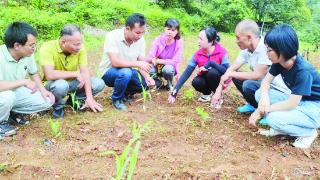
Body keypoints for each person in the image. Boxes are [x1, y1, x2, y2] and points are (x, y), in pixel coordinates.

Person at [249, 24, 320, 149]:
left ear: (282, 50)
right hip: (300, 100)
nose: (267, 54)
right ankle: (284, 128)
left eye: (269, 50)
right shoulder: (280, 61)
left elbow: (291, 104)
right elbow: (266, 82)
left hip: (314, 107)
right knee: (259, 94)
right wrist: (264, 99)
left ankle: (308, 133)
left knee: (273, 118)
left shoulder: (303, 71)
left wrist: (261, 110)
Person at [217, 20, 289, 113]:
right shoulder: (246, 50)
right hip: (263, 85)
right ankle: (254, 105)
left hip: (278, 89)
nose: (236, 41)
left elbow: (257, 75)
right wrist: (219, 89)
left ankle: (268, 111)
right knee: (236, 77)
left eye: (238, 38)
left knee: (248, 84)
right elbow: (232, 68)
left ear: (249, 37)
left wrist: (231, 74)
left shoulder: (265, 48)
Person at [0, 22, 54, 137]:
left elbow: (33, 73)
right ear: (17, 46)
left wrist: (43, 90)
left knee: (47, 101)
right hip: (3, 94)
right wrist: (23, 81)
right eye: (31, 45)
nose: (34, 48)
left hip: (14, 92)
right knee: (8, 96)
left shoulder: (27, 55)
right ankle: (1, 123)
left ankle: (12, 114)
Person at [40, 24, 105, 119]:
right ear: (63, 42)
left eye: (81, 43)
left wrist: (89, 97)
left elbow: (85, 72)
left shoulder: (80, 49)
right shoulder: (47, 47)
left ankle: (72, 101)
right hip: (53, 85)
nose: (80, 47)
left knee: (98, 83)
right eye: (76, 44)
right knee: (61, 85)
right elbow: (49, 74)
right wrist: (75, 73)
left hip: (72, 83)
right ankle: (57, 107)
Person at [100, 13, 154, 111]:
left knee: (144, 84)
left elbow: (141, 61)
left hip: (128, 72)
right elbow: (115, 62)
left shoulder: (140, 40)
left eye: (143, 33)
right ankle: (117, 100)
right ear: (128, 28)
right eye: (138, 33)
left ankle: (125, 94)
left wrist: (147, 77)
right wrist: (137, 64)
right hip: (109, 72)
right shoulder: (112, 36)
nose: (140, 36)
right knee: (125, 72)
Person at [168, 27, 230, 104]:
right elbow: (186, 74)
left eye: (201, 39)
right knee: (196, 82)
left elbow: (227, 71)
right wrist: (175, 92)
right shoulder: (198, 54)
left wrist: (212, 63)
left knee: (212, 72)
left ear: (211, 41)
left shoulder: (222, 52)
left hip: (219, 81)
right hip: (205, 79)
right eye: (198, 38)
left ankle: (218, 94)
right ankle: (207, 94)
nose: (198, 41)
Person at [146, 18, 183, 92]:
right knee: (149, 68)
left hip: (169, 67)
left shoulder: (179, 42)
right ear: (164, 29)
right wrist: (153, 60)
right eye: (168, 29)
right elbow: (150, 57)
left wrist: (158, 60)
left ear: (177, 32)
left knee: (168, 69)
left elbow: (175, 61)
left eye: (173, 30)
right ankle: (157, 82)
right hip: (156, 66)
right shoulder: (158, 39)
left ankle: (169, 84)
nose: (170, 32)